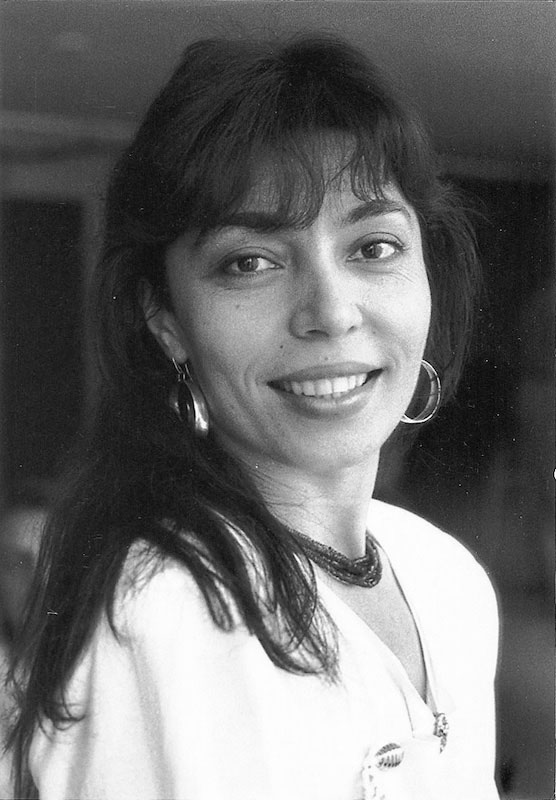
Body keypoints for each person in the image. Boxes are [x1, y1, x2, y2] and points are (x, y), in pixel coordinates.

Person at [6, 35, 499, 800]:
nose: (331, 311)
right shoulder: (165, 611)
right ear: (167, 320)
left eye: (374, 247)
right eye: (251, 262)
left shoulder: (446, 577)